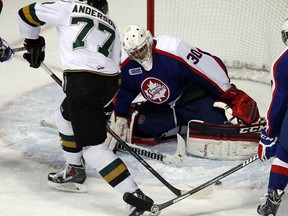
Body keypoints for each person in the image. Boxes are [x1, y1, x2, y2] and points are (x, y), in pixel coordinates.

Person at [18, 1, 154, 215]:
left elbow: (26, 13)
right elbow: (114, 67)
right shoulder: (111, 25)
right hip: (108, 85)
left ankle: (135, 196)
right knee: (64, 118)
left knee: (93, 149)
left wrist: (33, 42)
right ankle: (74, 169)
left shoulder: (68, 6)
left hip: (83, 82)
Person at [106, 24, 261, 156]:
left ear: (148, 40)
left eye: (142, 49)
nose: (139, 55)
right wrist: (119, 114)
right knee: (141, 127)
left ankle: (194, 115)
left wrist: (229, 93)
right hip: (162, 107)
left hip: (190, 97)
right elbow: (124, 90)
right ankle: (180, 124)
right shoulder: (127, 63)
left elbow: (207, 65)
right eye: (134, 53)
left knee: (221, 123)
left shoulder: (173, 48)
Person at [257, 19, 288, 216]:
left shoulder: (283, 63)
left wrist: (269, 136)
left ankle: (273, 197)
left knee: (285, 150)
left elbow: (279, 104)